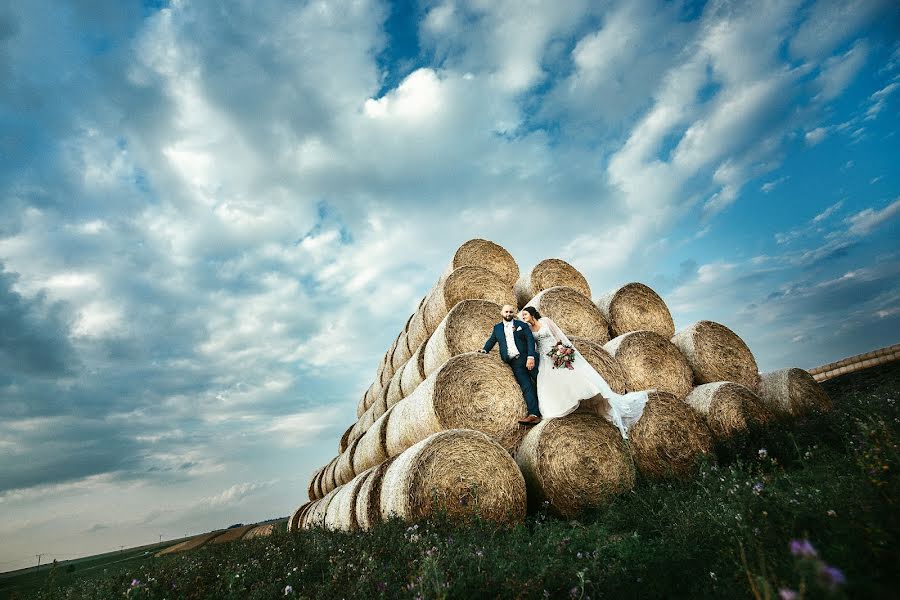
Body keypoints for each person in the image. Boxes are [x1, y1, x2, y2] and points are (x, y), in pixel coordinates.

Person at [519, 306, 649, 438]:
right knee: (548, 382)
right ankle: (556, 409)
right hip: (544, 358)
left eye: (525, 315)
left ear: (531, 314)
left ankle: (586, 397)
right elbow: (531, 346)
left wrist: (560, 351)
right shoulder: (528, 329)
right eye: (522, 316)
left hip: (556, 353)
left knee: (572, 377)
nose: (523, 317)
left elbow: (558, 335)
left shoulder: (546, 321)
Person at [479, 304, 542, 425]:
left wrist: (531, 356)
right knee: (526, 387)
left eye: (510, 312)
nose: (508, 314)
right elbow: (492, 340)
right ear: (502, 313)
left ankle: (553, 405)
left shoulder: (521, 325)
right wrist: (485, 350)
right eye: (506, 312)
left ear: (513, 313)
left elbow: (530, 340)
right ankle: (534, 414)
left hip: (527, 358)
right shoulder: (497, 328)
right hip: (514, 363)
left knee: (541, 380)